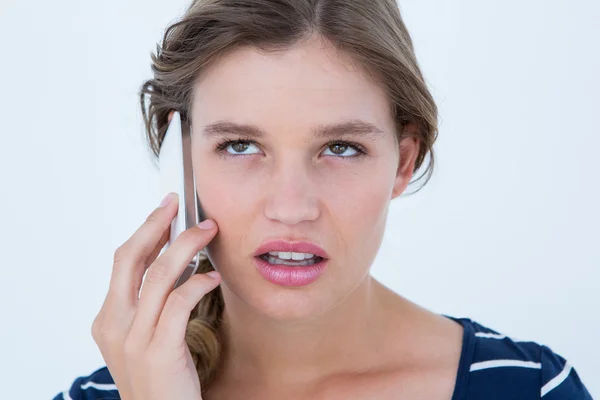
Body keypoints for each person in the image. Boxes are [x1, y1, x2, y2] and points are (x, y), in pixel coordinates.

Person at [53, 0, 593, 399]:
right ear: (183, 160)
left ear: (403, 162)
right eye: (240, 145)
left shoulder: (532, 389)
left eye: (341, 147)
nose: (291, 208)